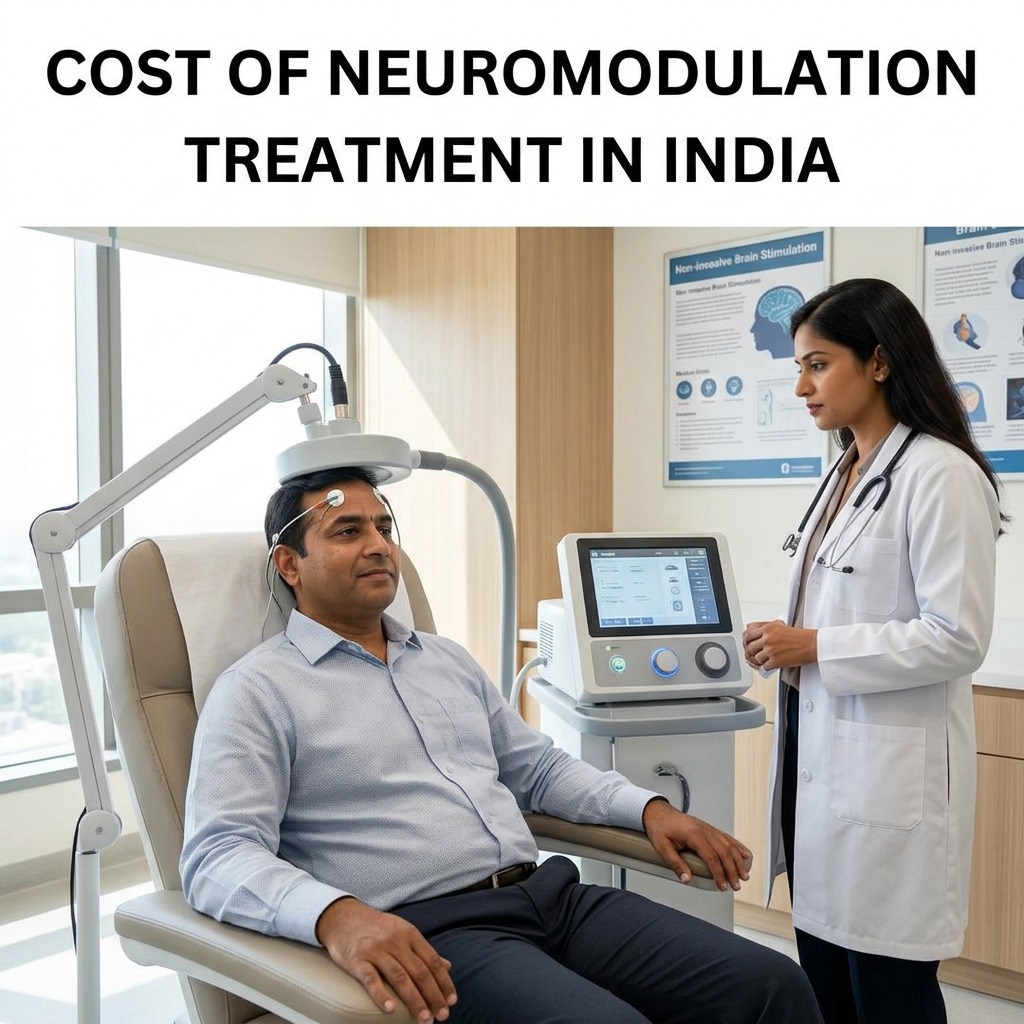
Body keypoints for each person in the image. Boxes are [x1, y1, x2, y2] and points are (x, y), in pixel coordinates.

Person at [181, 467, 823, 1024]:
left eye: (384, 527)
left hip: (551, 899)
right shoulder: (258, 690)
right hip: (433, 933)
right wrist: (336, 916)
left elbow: (535, 770)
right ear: (289, 564)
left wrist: (648, 808)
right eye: (347, 531)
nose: (378, 545)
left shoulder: (444, 660)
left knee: (772, 985)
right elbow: (217, 854)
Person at [742, 278, 1005, 1024]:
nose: (801, 387)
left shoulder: (941, 474)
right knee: (828, 993)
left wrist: (815, 645)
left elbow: (957, 636)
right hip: (820, 772)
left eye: (818, 365)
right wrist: (792, 640)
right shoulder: (844, 471)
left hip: (888, 793)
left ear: (880, 362)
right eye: (799, 368)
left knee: (889, 1001)